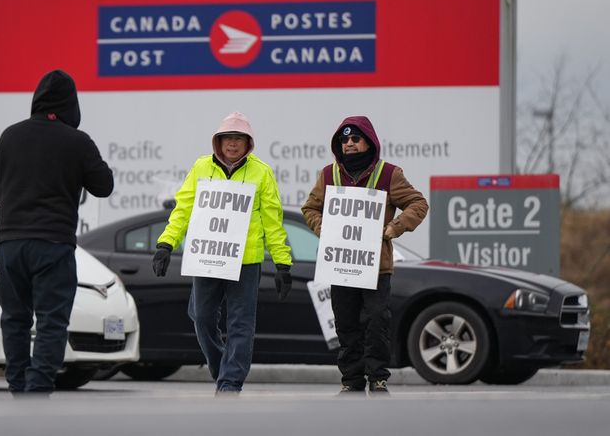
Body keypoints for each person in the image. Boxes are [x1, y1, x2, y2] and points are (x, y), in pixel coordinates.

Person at [0, 69, 113, 395]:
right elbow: (104, 185)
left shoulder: (9, 136)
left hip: (11, 245)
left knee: (14, 319)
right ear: (71, 104)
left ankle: (18, 387)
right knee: (51, 321)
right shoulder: (77, 141)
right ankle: (38, 390)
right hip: (53, 245)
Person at [151, 111, 293, 394]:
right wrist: (166, 244)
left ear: (248, 143)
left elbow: (272, 222)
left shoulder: (261, 172)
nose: (232, 143)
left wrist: (282, 263)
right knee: (201, 317)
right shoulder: (201, 167)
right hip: (206, 257)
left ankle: (230, 382)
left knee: (241, 324)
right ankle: (222, 368)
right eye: (227, 138)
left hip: (246, 261)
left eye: (238, 138)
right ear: (218, 141)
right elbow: (183, 209)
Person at [302, 116, 428, 396]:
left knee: (376, 322)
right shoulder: (328, 175)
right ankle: (351, 381)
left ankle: (378, 379)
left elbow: (418, 203)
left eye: (355, 139)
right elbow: (310, 208)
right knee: (346, 324)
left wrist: (395, 227)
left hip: (377, 267)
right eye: (344, 140)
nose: (349, 144)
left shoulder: (389, 174)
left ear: (369, 142)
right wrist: (325, 228)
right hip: (341, 264)